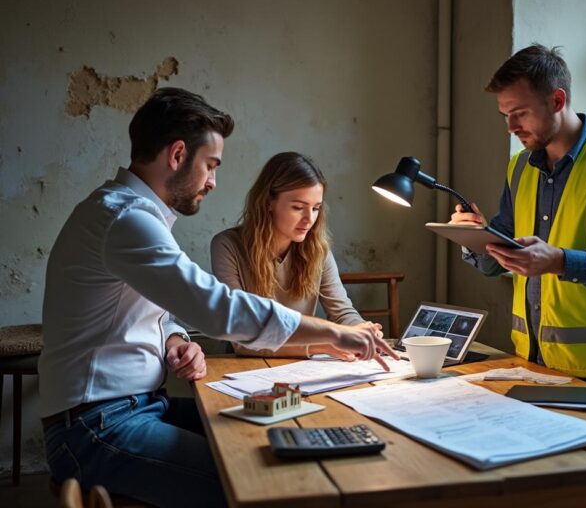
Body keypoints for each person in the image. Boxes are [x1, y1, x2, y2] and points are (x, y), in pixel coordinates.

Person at [38, 87, 397, 508]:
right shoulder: (126, 218)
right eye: (210, 165)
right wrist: (333, 335)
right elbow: (217, 306)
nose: (212, 181)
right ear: (176, 155)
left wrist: (174, 341)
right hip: (96, 427)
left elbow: (158, 311)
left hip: (135, 407)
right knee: (253, 478)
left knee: (273, 436)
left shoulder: (129, 213)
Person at [450, 44, 586, 401]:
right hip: (531, 362)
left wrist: (562, 261)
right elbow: (498, 262)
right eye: (505, 115)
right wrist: (473, 237)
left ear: (556, 100)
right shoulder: (519, 167)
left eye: (519, 113)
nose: (510, 127)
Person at [211, 151, 374, 359]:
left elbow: (342, 312)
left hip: (300, 369)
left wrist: (363, 330)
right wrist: (319, 346)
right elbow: (241, 340)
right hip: (246, 367)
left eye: (316, 208)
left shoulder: (317, 248)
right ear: (268, 202)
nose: (309, 219)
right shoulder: (227, 246)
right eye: (298, 207)